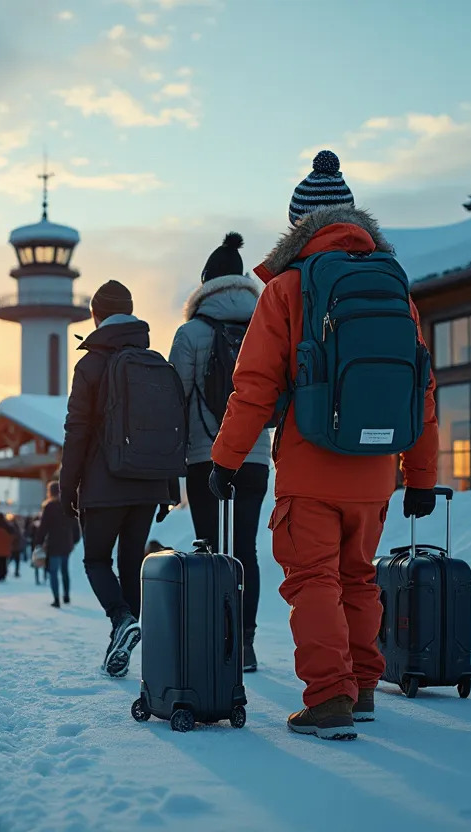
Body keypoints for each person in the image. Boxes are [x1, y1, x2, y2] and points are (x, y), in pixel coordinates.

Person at [209, 150, 439, 739]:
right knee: (359, 578)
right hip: (375, 471)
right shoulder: (394, 286)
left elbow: (255, 385)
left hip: (311, 465)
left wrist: (226, 459)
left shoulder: (288, 287)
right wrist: (418, 475)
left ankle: (329, 699)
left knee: (312, 580)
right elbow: (422, 387)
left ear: (298, 226)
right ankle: (361, 687)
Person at [59, 280, 180, 677]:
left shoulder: (90, 364)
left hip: (104, 482)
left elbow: (77, 429)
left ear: (96, 315)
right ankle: (123, 641)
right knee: (131, 563)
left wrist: (67, 486)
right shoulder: (153, 362)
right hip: (147, 483)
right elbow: (169, 428)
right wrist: (168, 488)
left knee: (96, 560)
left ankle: (120, 621)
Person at [169, 231, 271, 673]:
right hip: (254, 455)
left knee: (209, 548)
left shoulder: (190, 332)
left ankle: (214, 639)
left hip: (203, 456)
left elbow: (177, 398)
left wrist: (171, 464)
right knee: (244, 548)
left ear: (206, 284)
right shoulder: (266, 325)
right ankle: (245, 645)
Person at [34, 482, 76, 608]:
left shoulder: (49, 507)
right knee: (65, 571)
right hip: (66, 544)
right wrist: (73, 540)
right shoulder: (68, 505)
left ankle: (56, 599)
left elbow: (43, 527)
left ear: (50, 492)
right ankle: (66, 596)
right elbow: (75, 525)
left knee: (53, 572)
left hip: (54, 544)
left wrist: (38, 543)